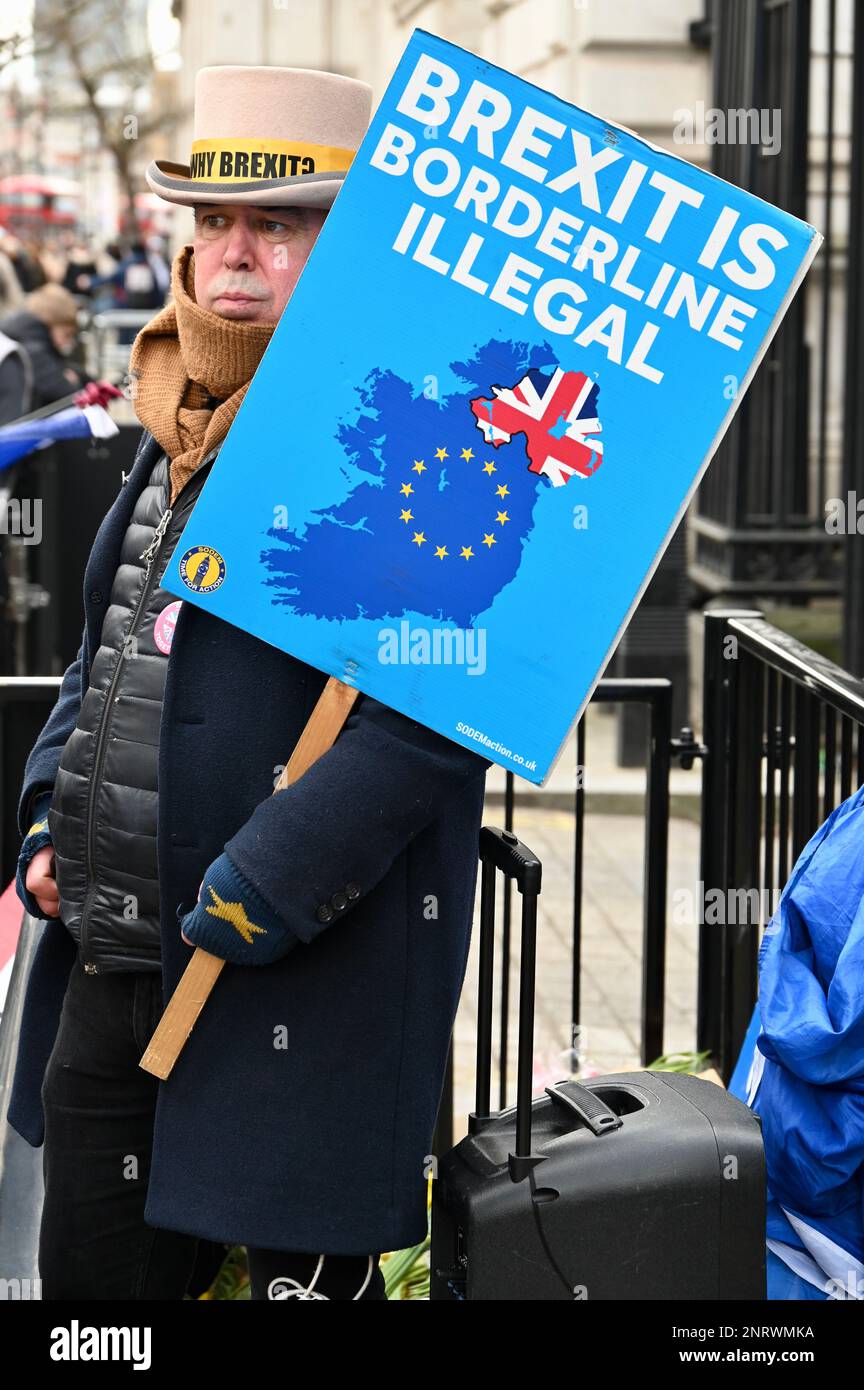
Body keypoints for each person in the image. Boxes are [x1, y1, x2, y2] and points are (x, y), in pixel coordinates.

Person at [7, 64, 491, 1302]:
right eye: (213, 221)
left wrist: (264, 887)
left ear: (351, 246)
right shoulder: (174, 404)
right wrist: (49, 813)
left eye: (278, 224)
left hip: (281, 983)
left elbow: (440, 711)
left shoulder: (412, 432)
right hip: (114, 970)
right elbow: (104, 646)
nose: (234, 254)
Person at [0, 283, 92, 409]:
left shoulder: (23, 337)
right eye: (66, 334)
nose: (68, 342)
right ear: (51, 323)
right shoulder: (34, 351)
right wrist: (75, 382)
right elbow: (70, 397)